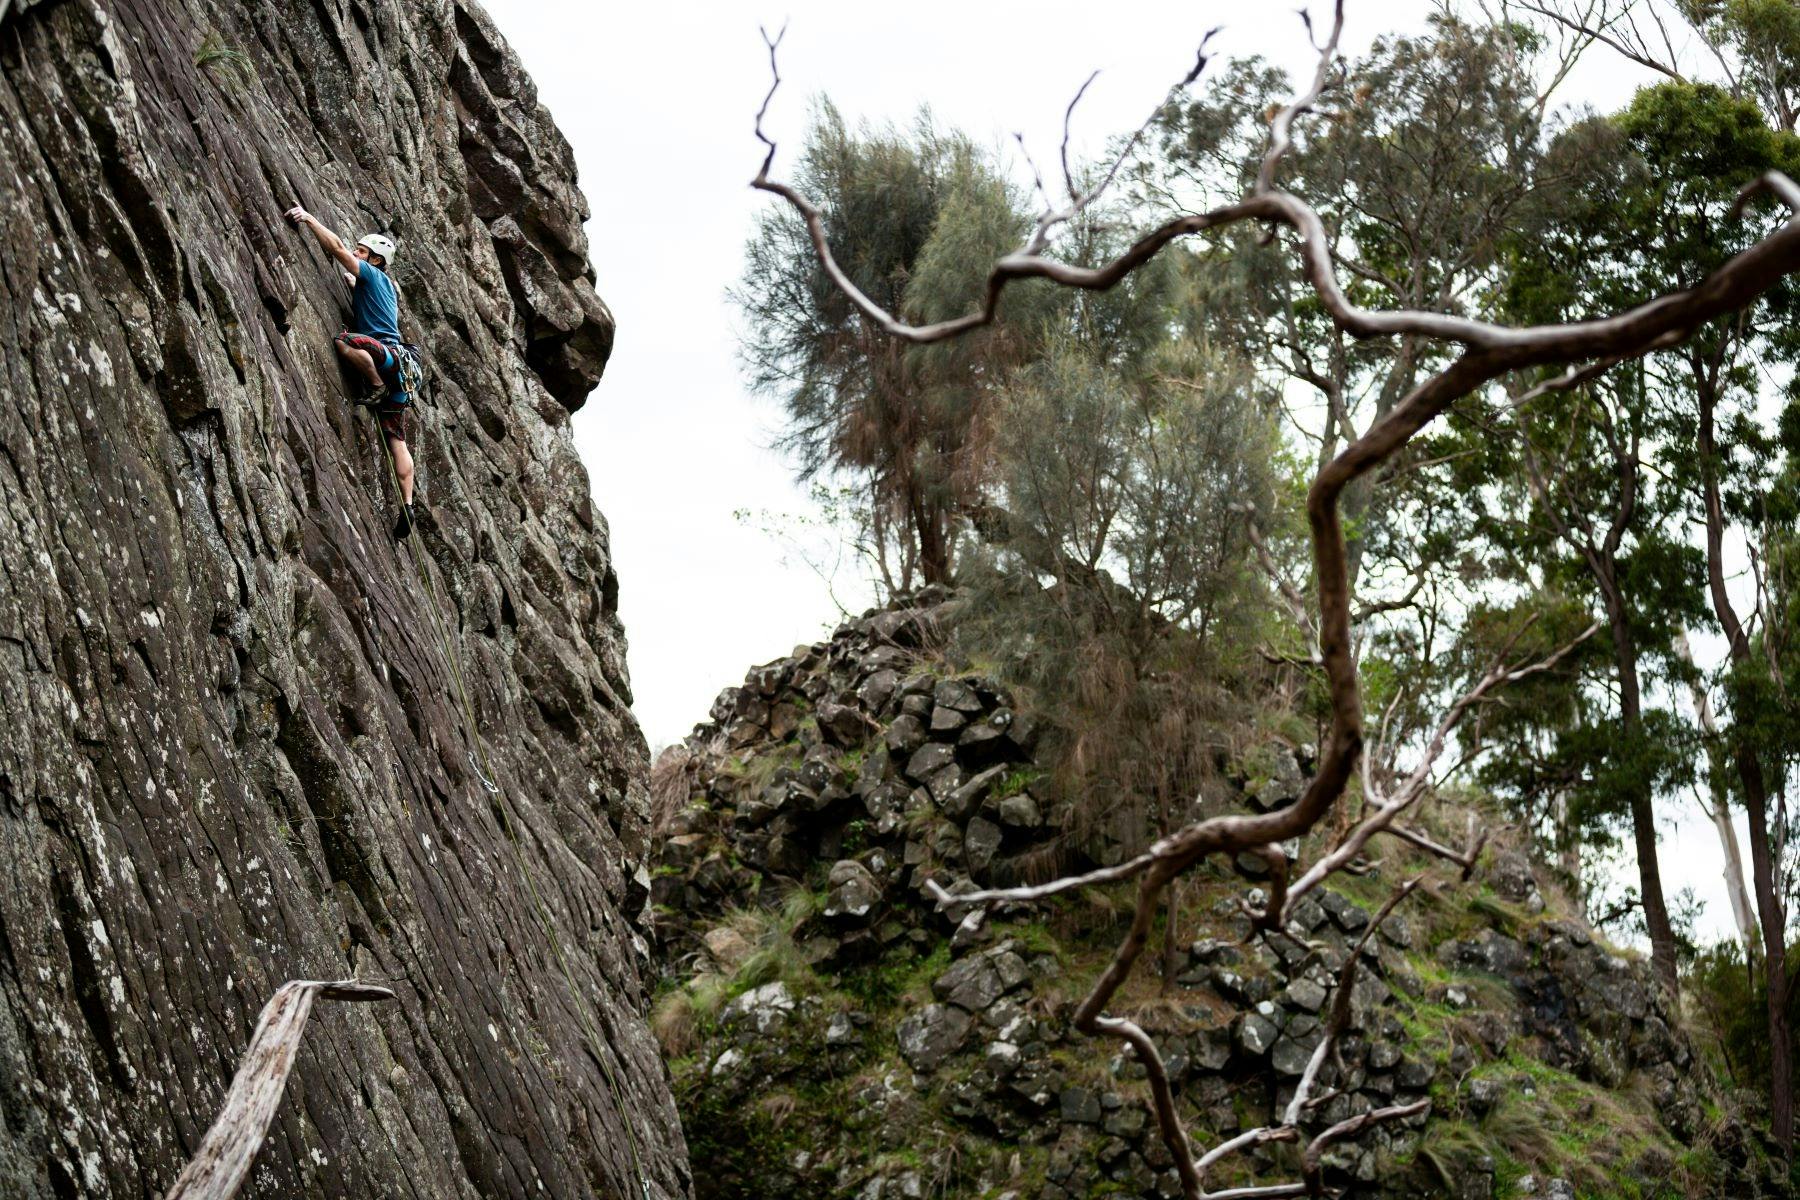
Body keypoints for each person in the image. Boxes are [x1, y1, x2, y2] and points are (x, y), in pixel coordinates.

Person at [284, 205, 417, 538]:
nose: (356, 254)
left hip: (384, 358)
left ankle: (374, 385)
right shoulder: (381, 285)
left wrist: (310, 218)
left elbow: (338, 249)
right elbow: (357, 280)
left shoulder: (372, 274)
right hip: (401, 370)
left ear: (374, 260)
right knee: (395, 439)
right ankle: (408, 505)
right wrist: (352, 279)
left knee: (344, 341)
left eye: (363, 252)